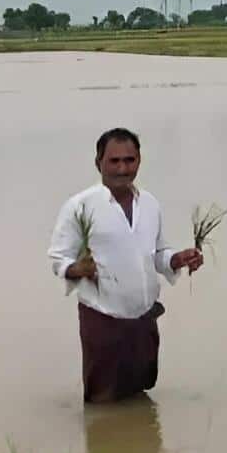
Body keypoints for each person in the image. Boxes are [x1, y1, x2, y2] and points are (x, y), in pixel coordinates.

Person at [47, 127, 203, 404]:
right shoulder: (79, 206)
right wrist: (78, 269)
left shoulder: (150, 204)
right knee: (103, 401)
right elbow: (59, 259)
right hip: (103, 321)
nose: (122, 168)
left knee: (140, 393)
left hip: (145, 320)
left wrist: (177, 259)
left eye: (129, 160)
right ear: (99, 163)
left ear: (139, 161)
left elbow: (156, 254)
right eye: (114, 161)